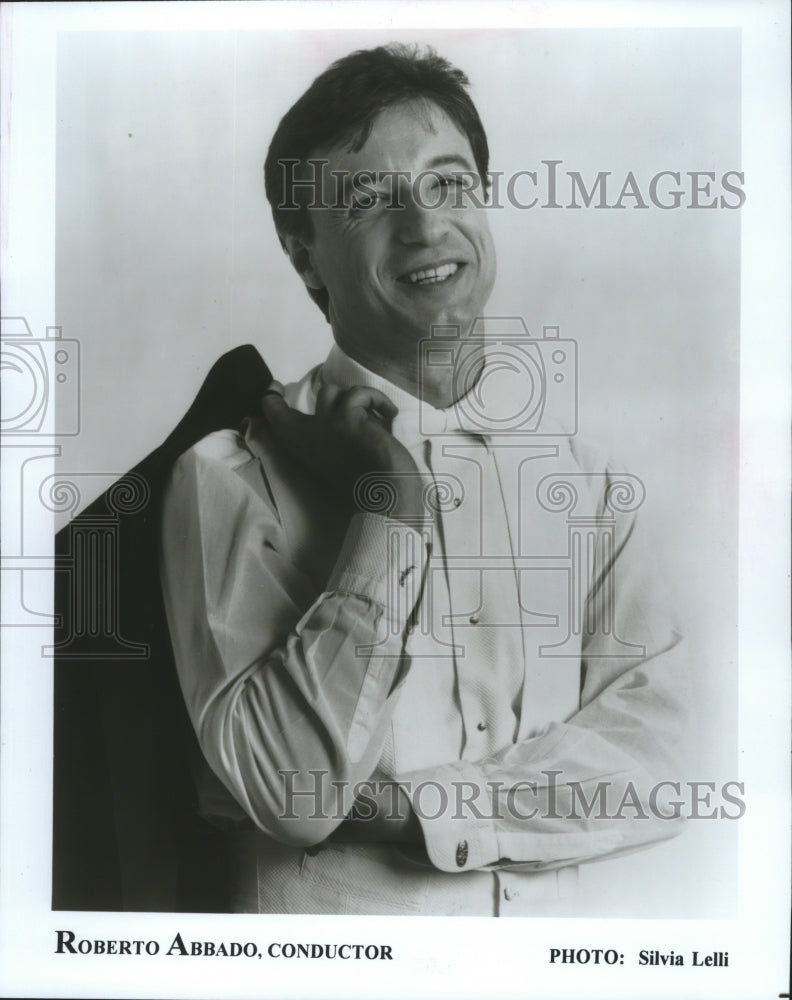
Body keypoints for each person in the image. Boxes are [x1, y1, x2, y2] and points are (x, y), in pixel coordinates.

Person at [159, 43, 688, 916]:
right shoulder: (225, 479)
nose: (425, 226)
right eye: (370, 201)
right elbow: (293, 795)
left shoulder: (594, 485)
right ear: (305, 255)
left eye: (449, 184)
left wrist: (412, 809)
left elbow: (665, 758)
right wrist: (389, 505)